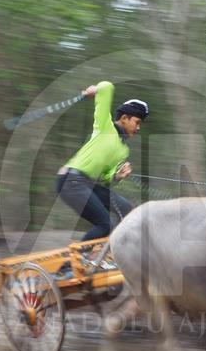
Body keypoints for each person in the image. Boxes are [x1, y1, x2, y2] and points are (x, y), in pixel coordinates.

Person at [56, 81, 148, 241]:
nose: (138, 127)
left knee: (126, 209)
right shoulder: (105, 126)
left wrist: (118, 176)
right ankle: (70, 264)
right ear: (125, 118)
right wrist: (94, 90)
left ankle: (110, 252)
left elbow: (107, 179)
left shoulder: (123, 150)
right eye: (137, 122)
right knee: (106, 224)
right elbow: (107, 87)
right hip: (70, 180)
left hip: (86, 184)